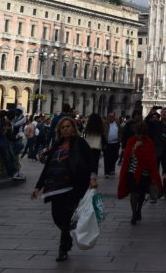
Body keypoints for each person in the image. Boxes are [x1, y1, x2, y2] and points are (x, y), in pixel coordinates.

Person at [30, 117, 98, 262]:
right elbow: (48, 167)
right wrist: (37, 187)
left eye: (68, 126)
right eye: (63, 127)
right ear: (59, 130)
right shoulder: (57, 145)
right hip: (55, 186)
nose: (66, 129)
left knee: (66, 215)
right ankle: (67, 237)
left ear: (73, 128)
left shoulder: (80, 143)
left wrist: (92, 178)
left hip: (73, 185)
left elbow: (91, 161)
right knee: (56, 216)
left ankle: (63, 249)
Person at [117, 121, 163, 225]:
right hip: (132, 172)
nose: (140, 136)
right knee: (134, 193)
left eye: (142, 133)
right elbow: (127, 156)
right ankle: (134, 214)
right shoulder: (131, 141)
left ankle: (139, 210)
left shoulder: (149, 142)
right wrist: (135, 147)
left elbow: (151, 159)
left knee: (141, 194)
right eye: (139, 133)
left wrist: (153, 176)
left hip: (144, 173)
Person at [103, 112, 121, 178]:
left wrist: (119, 139)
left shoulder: (117, 123)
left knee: (115, 156)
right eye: (109, 116)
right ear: (108, 117)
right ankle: (107, 172)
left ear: (114, 117)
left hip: (116, 143)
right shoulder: (105, 123)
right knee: (107, 158)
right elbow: (103, 132)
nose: (111, 117)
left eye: (112, 116)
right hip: (107, 143)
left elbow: (120, 131)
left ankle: (111, 168)